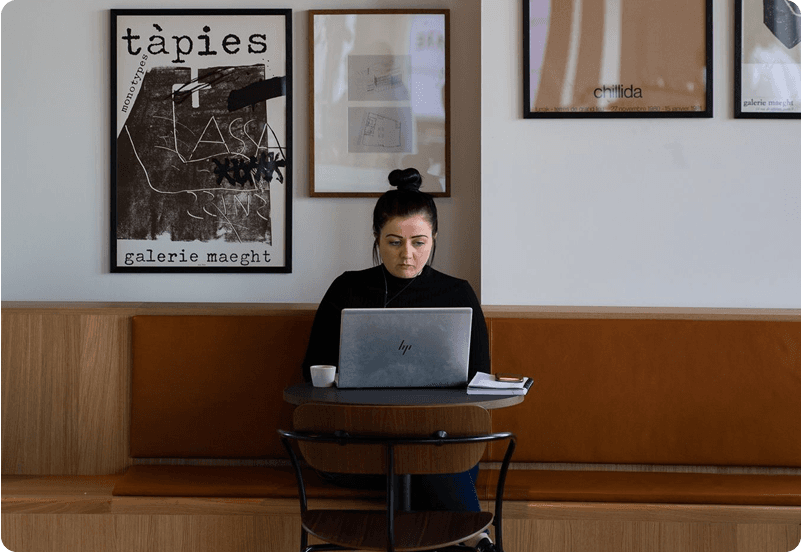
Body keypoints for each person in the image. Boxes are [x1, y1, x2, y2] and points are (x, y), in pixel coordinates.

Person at [301, 167, 496, 552]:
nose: (407, 255)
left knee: (428, 454)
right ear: (376, 238)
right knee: (426, 461)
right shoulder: (347, 289)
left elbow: (478, 379)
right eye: (393, 242)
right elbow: (311, 374)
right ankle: (475, 540)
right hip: (359, 440)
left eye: (419, 242)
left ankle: (471, 539)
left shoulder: (456, 294)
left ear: (435, 239)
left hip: (440, 438)